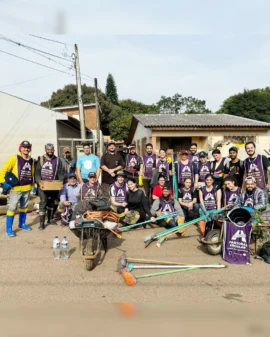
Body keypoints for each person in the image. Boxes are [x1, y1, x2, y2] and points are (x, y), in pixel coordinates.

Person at [0, 141, 34, 237]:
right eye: (24, 147)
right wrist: (3, 182)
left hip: (27, 188)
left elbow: (32, 172)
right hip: (16, 189)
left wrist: (32, 185)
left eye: (28, 147)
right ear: (20, 148)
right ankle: (9, 229)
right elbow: (4, 170)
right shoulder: (14, 158)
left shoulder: (31, 160)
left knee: (24, 207)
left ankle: (22, 224)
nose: (26, 149)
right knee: (12, 208)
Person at [35, 143, 64, 230]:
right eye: (48, 149)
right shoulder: (41, 159)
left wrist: (61, 183)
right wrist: (39, 182)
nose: (50, 151)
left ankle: (50, 219)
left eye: (52, 149)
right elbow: (37, 173)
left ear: (54, 150)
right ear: (45, 150)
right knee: (43, 201)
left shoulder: (58, 160)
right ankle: (41, 223)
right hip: (43, 186)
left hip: (53, 185)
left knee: (53, 202)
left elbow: (60, 173)